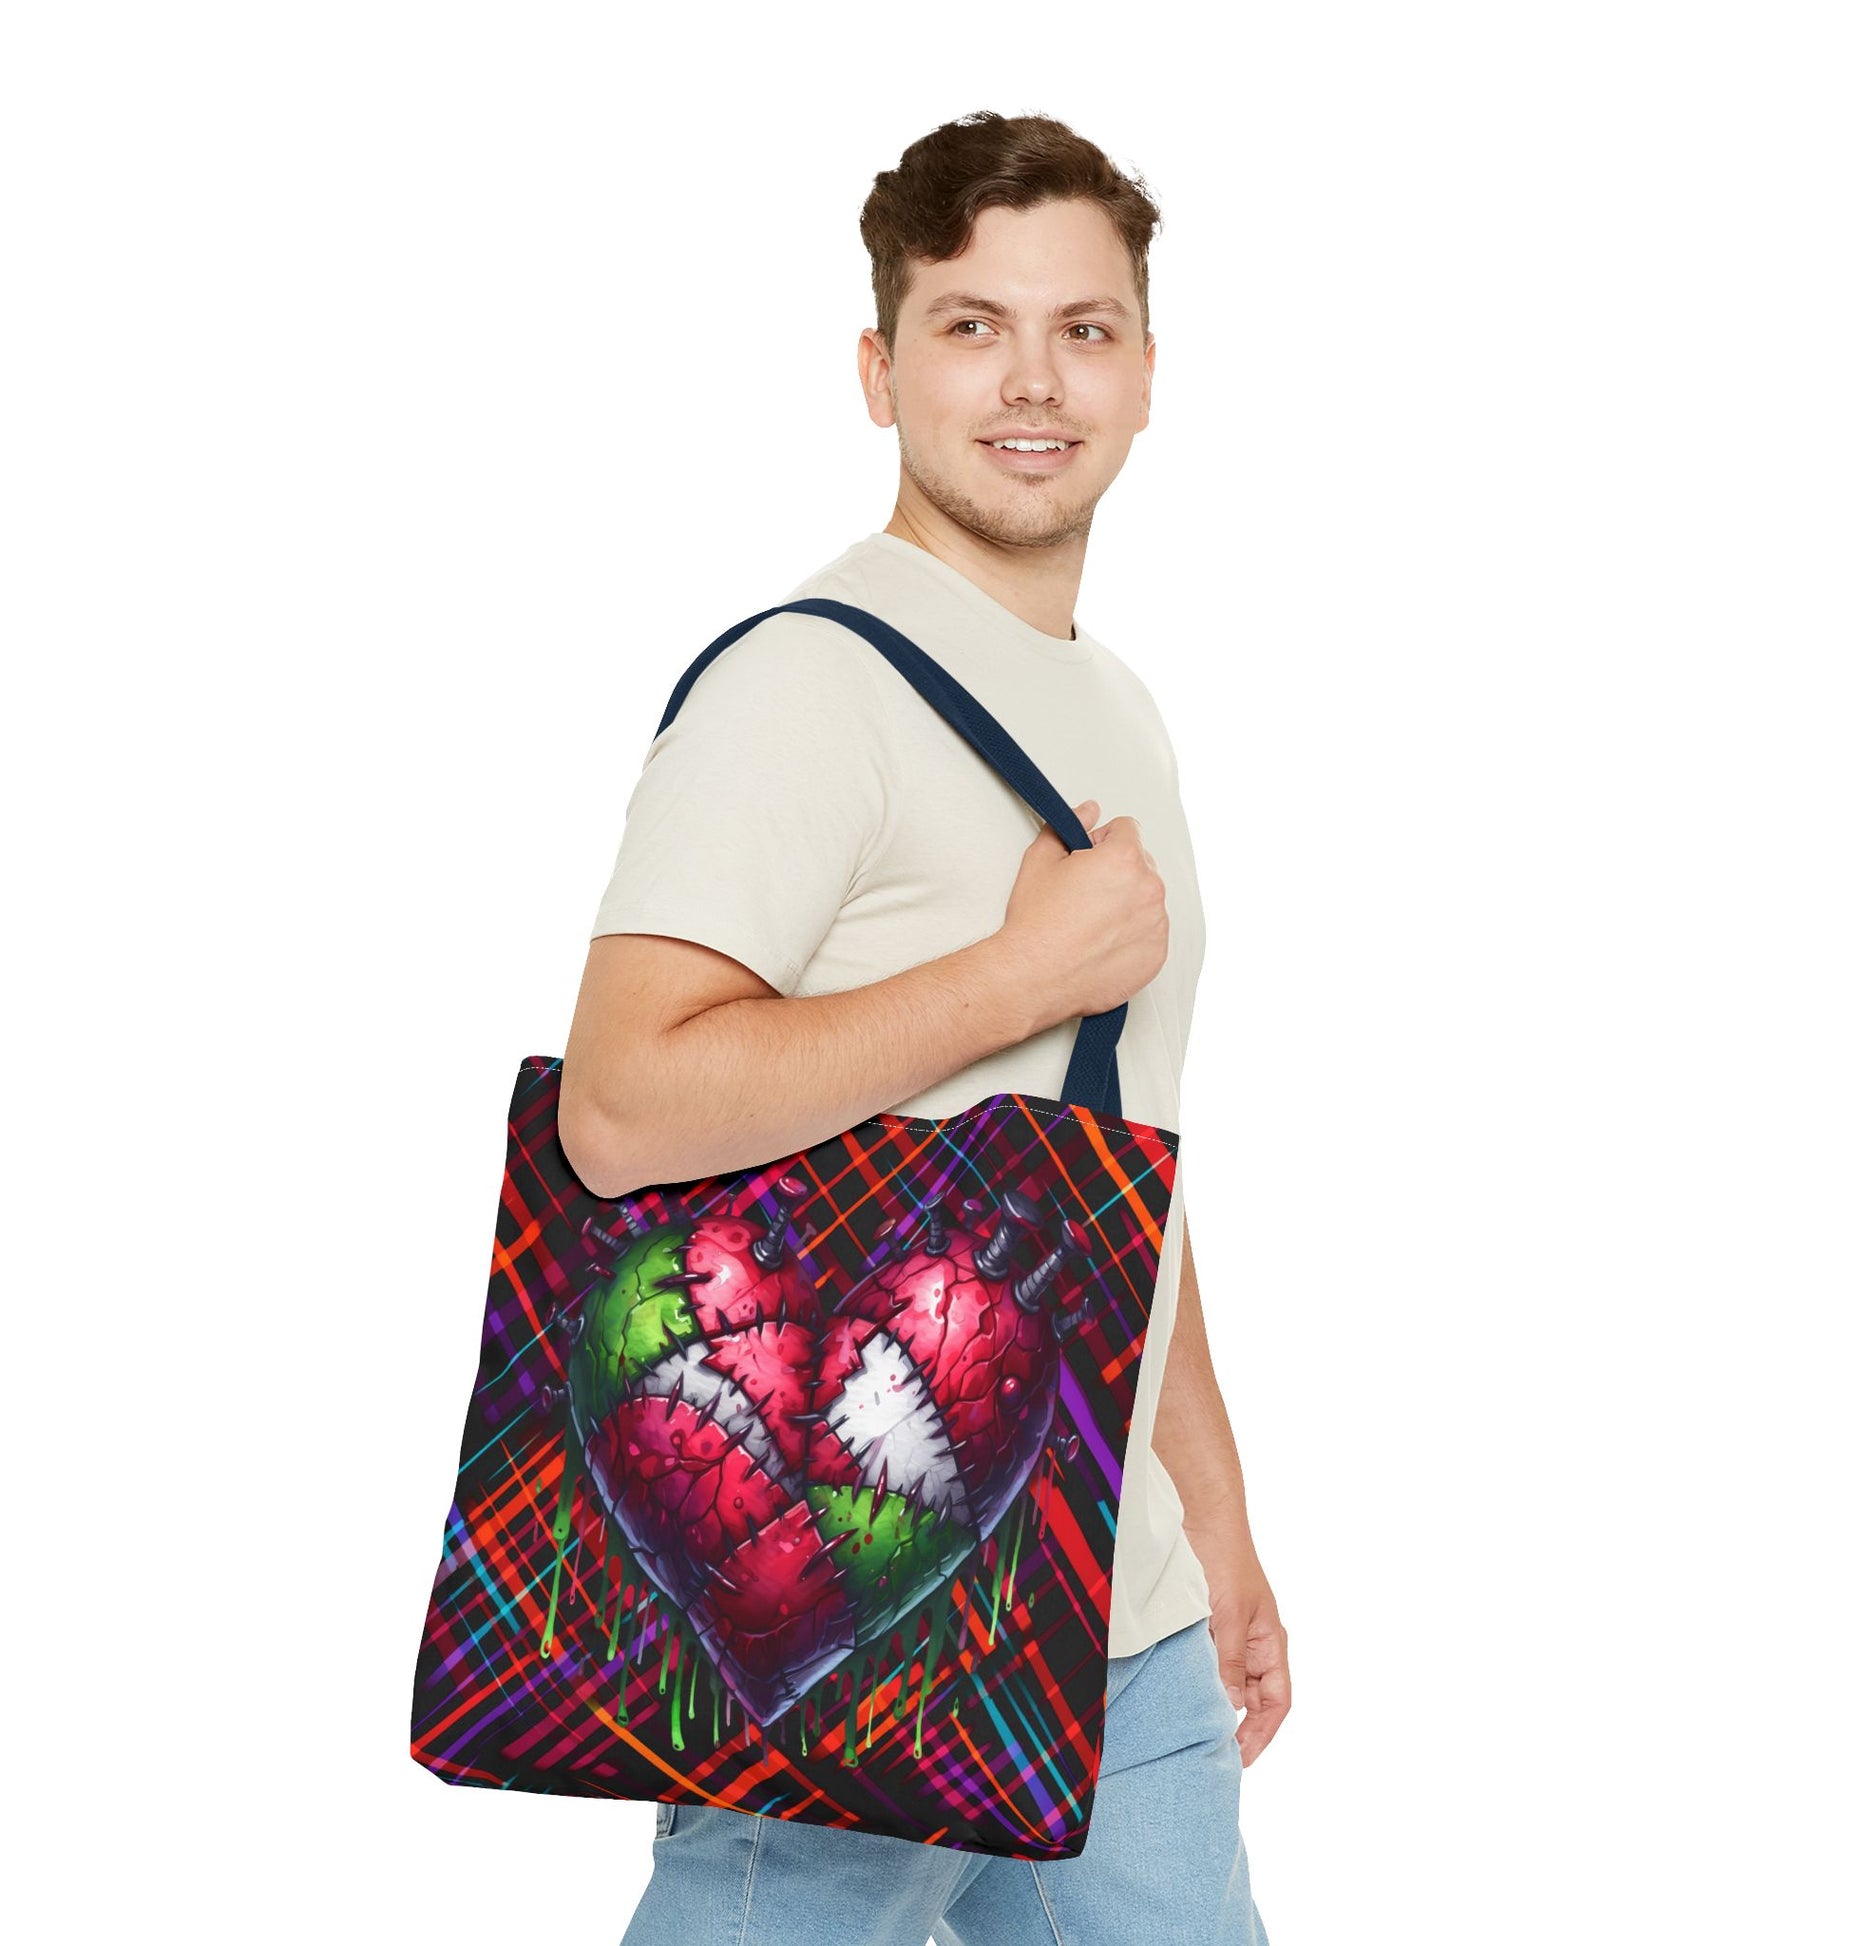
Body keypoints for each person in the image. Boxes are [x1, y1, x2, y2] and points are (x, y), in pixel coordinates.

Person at [559, 108, 1285, 1946]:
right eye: (972, 326)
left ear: (1144, 373)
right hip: (848, 1634)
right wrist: (1012, 976)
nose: (1032, 380)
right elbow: (621, 1107)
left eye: (1082, 329)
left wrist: (1210, 1517)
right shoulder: (803, 685)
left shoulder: (1116, 704)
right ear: (880, 372)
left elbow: (1118, 1148)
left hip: (1121, 1633)